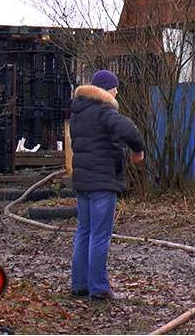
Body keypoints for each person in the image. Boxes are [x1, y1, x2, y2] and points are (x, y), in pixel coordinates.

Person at [70, 69, 145, 302]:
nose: (117, 92)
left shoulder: (79, 112)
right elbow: (129, 130)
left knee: (84, 232)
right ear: (107, 90)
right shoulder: (104, 111)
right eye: (115, 88)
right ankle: (99, 288)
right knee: (100, 236)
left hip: (82, 181)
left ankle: (79, 285)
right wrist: (137, 149)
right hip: (102, 182)